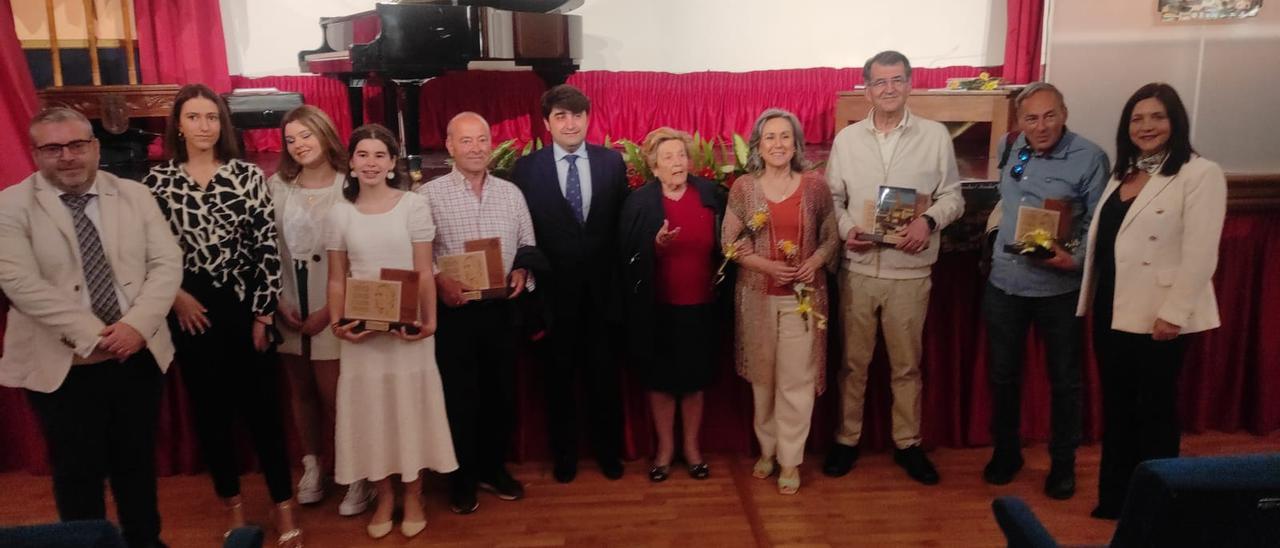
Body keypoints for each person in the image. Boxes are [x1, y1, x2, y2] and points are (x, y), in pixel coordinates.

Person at [0, 107, 182, 548]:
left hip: (135, 355)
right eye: (53, 148)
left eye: (78, 145)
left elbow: (166, 263)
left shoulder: (135, 196)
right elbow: (18, 282)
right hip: (63, 364)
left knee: (136, 465)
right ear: (36, 153)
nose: (68, 156)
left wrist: (135, 327)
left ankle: (145, 543)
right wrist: (94, 335)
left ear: (95, 147)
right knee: (76, 472)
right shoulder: (10, 205)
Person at [142, 84, 301, 545]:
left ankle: (282, 504)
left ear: (223, 124)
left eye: (212, 117)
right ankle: (232, 504)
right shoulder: (159, 182)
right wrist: (175, 297)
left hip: (245, 307)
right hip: (191, 311)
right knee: (211, 415)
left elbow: (267, 249)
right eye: (194, 117)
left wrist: (263, 315)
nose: (204, 126)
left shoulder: (248, 176)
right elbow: (150, 253)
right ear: (179, 125)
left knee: (263, 412)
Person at [1078, 83, 1226, 519]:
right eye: (1137, 118)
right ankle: (1115, 499)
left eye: (1157, 117)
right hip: (1113, 306)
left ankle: (1157, 507)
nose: (1146, 126)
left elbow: (1201, 254)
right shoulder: (1124, 173)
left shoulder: (1200, 173)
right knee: (1119, 408)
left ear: (1175, 121)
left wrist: (1174, 314)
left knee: (1155, 413)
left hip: (1160, 315)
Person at [823, 51, 965, 485]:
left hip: (910, 271)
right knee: (853, 363)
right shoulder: (847, 141)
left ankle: (908, 443)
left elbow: (954, 197)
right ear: (866, 88)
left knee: (907, 365)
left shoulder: (935, 135)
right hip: (860, 269)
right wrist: (846, 228)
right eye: (880, 82)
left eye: (897, 80)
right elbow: (832, 199)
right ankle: (847, 440)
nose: (889, 89)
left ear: (910, 84)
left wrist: (928, 220)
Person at [326, 123, 457, 539]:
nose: (370, 162)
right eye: (362, 154)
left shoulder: (412, 206)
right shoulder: (340, 212)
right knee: (372, 411)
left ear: (392, 163)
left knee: (408, 407)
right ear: (351, 162)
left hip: (408, 330)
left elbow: (423, 269)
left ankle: (414, 493)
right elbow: (336, 278)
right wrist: (337, 322)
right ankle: (383, 495)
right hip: (363, 334)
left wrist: (429, 321)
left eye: (379, 155)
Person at [983, 82, 1110, 500]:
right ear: (1020, 121)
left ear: (1065, 113)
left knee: (1064, 382)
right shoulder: (1010, 146)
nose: (1040, 126)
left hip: (1059, 289)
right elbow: (1007, 200)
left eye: (1049, 115)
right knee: (1003, 376)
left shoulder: (1090, 157)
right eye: (1031, 118)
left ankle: (1063, 464)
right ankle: (1007, 453)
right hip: (1005, 283)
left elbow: (1096, 225)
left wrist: (1070, 258)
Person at [418, 112, 538, 513]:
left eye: (482, 139)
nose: (475, 148)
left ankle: (493, 469)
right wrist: (438, 280)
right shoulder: (429, 196)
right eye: (465, 141)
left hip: (501, 310)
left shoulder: (511, 193)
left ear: (491, 143)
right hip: (456, 313)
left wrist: (523, 270)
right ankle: (462, 477)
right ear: (449, 145)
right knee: (460, 398)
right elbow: (420, 254)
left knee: (500, 395)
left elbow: (527, 243)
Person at [512, 84, 630, 482]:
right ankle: (565, 456)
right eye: (561, 116)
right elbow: (522, 232)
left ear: (588, 118)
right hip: (553, 295)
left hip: (602, 294)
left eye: (577, 115)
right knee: (558, 380)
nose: (570, 122)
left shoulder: (612, 163)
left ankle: (609, 454)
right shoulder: (527, 169)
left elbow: (619, 228)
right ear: (546, 123)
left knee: (603, 377)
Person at [267, 105, 376, 515]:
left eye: (306, 135)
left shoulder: (349, 185)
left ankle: (357, 474)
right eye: (291, 139)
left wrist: (333, 306)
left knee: (338, 394)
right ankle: (313, 466)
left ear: (324, 134)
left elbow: (360, 254)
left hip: (336, 300)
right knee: (302, 391)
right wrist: (278, 299)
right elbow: (268, 247)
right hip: (290, 299)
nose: (299, 145)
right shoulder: (277, 185)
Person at [725, 109, 840, 494]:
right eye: (770, 137)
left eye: (785, 137)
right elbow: (729, 243)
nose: (777, 144)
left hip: (803, 301)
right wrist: (766, 266)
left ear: (796, 144)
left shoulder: (815, 186)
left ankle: (791, 459)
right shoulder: (744, 187)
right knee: (763, 380)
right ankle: (767, 450)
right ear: (758, 144)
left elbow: (830, 237)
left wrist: (815, 262)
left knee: (797, 382)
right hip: (757, 299)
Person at [618, 127, 727, 483]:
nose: (677, 162)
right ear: (654, 166)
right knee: (661, 381)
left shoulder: (711, 195)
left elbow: (730, 246)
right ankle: (665, 451)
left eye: (681, 155)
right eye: (668, 157)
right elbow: (626, 255)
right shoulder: (639, 202)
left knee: (695, 381)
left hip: (701, 306)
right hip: (657, 307)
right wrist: (655, 246)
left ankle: (692, 449)